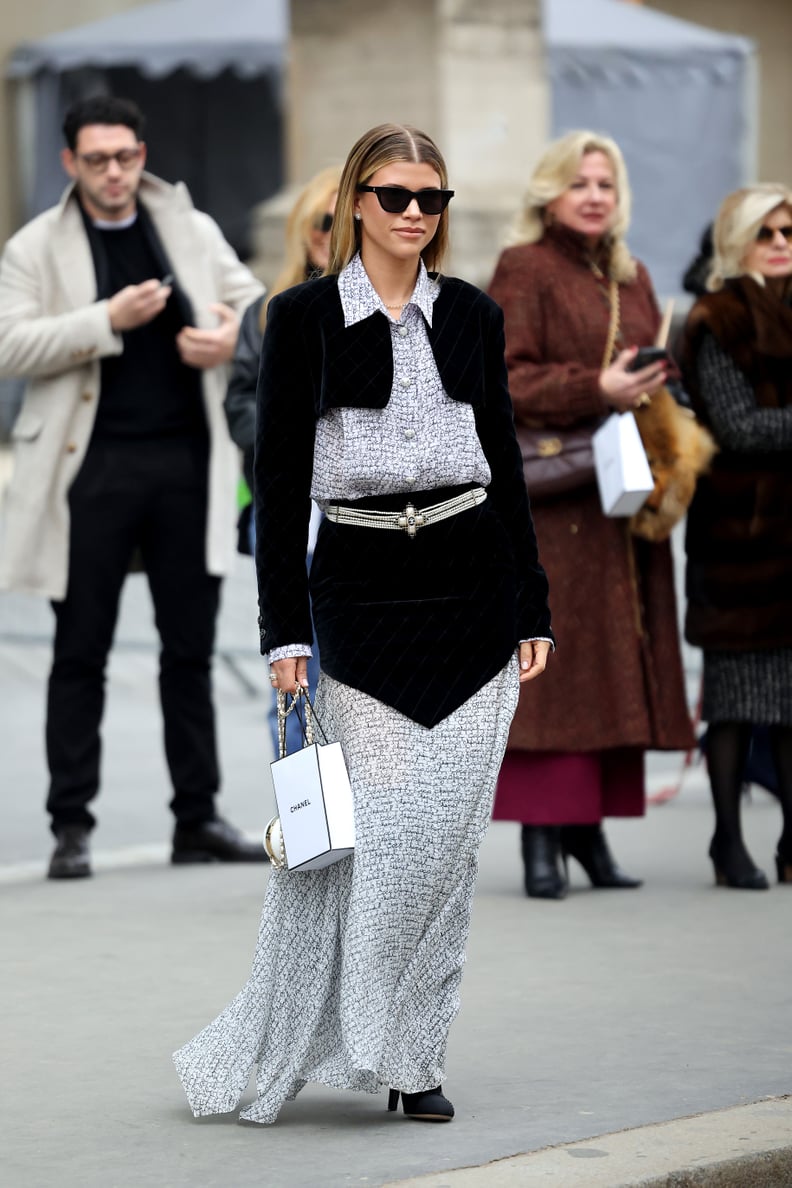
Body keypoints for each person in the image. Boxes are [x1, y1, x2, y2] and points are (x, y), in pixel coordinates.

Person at [173, 123, 553, 1125]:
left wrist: (534, 601)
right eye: (397, 197)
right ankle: (330, 1034)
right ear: (355, 202)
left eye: (434, 199)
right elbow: (280, 479)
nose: (417, 215)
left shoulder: (469, 312)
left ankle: (411, 1057)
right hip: (362, 598)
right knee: (383, 838)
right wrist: (282, 633)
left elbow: (504, 462)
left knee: (450, 851)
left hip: (474, 596)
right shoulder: (299, 319)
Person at [0, 96, 266, 879]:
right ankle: (70, 827)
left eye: (125, 157)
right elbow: (11, 343)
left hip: (187, 462)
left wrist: (224, 335)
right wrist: (103, 319)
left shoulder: (188, 224)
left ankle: (198, 818)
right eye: (96, 160)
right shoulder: (36, 245)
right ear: (69, 164)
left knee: (190, 652)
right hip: (90, 470)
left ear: (142, 154)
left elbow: (254, 306)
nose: (114, 173)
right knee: (78, 652)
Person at [487, 130, 694, 899]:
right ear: (549, 193)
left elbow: (638, 370)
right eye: (579, 183)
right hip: (553, 500)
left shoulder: (632, 274)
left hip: (620, 494)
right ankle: (542, 841)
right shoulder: (524, 267)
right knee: (556, 673)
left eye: (606, 183)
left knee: (611, 671)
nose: (595, 195)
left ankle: (590, 835)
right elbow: (500, 377)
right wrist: (594, 388)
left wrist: (648, 384)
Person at [681, 183, 792, 890]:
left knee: (789, 703)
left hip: (786, 534)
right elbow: (739, 427)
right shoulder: (714, 317)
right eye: (768, 233)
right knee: (733, 701)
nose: (782, 244)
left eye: (788, 232)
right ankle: (727, 840)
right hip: (737, 535)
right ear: (736, 241)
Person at [224, 165, 342, 754]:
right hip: (295, 519)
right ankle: (307, 836)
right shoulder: (270, 311)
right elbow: (240, 402)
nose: (334, 231)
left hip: (367, 520)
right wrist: (291, 439)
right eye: (325, 220)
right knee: (300, 675)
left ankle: (378, 834)